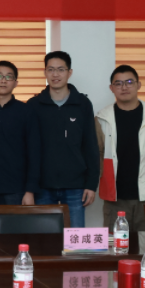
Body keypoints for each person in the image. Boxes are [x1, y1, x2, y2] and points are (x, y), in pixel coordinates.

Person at [28, 51, 100, 228]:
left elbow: (90, 145)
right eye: (51, 69)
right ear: (45, 72)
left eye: (61, 69)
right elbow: (29, 149)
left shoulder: (82, 104)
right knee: (45, 240)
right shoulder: (34, 105)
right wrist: (29, 188)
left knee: (75, 241)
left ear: (69, 72)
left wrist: (91, 184)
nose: (55, 74)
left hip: (76, 186)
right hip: (43, 187)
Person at [95, 64, 145, 234]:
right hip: (115, 197)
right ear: (111, 88)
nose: (124, 87)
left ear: (138, 85)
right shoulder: (101, 118)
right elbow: (98, 153)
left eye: (129, 82)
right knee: (116, 245)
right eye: (118, 83)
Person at [0, 61, 41, 209]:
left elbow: (34, 153)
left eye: (9, 77)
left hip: (17, 189)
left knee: (16, 225)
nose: (3, 80)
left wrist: (30, 191)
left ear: (16, 83)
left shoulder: (27, 112)